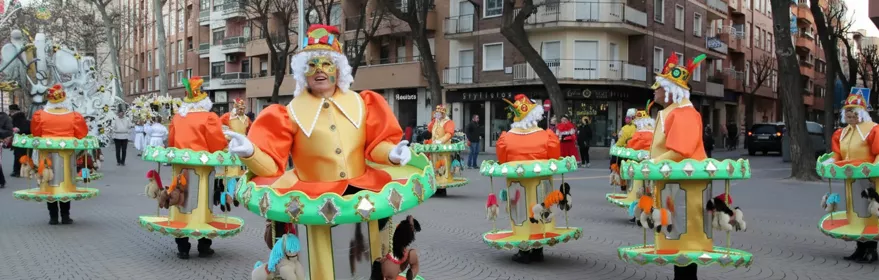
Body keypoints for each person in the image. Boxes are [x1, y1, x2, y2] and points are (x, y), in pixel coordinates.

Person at [223, 24, 411, 253]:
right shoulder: (289, 114)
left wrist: (392, 153)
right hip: (313, 199)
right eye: (312, 66)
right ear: (304, 73)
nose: (319, 70)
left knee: (368, 250)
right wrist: (250, 152)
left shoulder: (363, 104)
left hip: (362, 192)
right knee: (321, 254)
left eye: (326, 64)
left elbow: (375, 146)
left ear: (338, 70)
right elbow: (272, 165)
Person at [648, 53, 707, 279]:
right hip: (674, 183)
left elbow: (680, 150)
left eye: (659, 86)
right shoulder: (673, 112)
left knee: (683, 233)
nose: (655, 91)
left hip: (683, 184)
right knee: (676, 232)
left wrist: (652, 164)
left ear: (671, 90)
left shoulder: (684, 113)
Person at [495, 93, 560, 264]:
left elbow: (502, 160)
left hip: (517, 184)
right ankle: (538, 249)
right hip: (542, 183)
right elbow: (555, 156)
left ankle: (524, 250)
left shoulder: (507, 138)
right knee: (541, 209)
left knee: (520, 212)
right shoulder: (546, 136)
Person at [167, 76, 226, 259]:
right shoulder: (209, 117)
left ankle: (182, 247)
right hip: (203, 170)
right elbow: (217, 144)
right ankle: (203, 245)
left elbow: (171, 142)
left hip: (180, 169)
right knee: (203, 205)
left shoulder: (178, 118)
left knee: (180, 204)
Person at [821, 92, 879, 264]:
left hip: (870, 180)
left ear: (861, 113)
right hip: (850, 181)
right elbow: (838, 153)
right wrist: (830, 162)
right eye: (847, 112)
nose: (850, 115)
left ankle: (871, 250)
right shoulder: (843, 133)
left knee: (870, 213)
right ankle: (859, 248)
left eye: (853, 112)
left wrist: (873, 169)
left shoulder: (873, 129)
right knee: (856, 215)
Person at [31, 84, 88, 224]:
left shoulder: (40, 115)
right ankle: (66, 216)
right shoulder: (74, 116)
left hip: (47, 156)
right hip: (66, 157)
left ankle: (53, 217)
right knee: (65, 185)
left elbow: (35, 133)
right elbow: (82, 134)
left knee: (49, 184)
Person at [10, 104, 29, 178]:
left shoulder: (14, 119)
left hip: (18, 140)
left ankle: (17, 171)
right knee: (25, 155)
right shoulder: (26, 120)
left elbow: (12, 129)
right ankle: (25, 170)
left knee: (17, 156)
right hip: (26, 140)